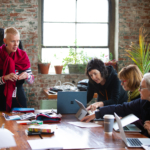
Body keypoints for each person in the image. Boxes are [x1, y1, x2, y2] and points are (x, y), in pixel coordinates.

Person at [81, 73, 150, 138]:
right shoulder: (143, 102)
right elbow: (122, 108)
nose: (139, 89)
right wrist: (97, 114)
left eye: (142, 88)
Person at [0, 27, 34, 112]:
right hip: (1, 98)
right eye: (12, 41)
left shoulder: (23, 55)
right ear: (5, 41)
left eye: (18, 41)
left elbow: (31, 81)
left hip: (19, 99)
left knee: (21, 125)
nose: (16, 44)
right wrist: (4, 78)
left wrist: (27, 76)